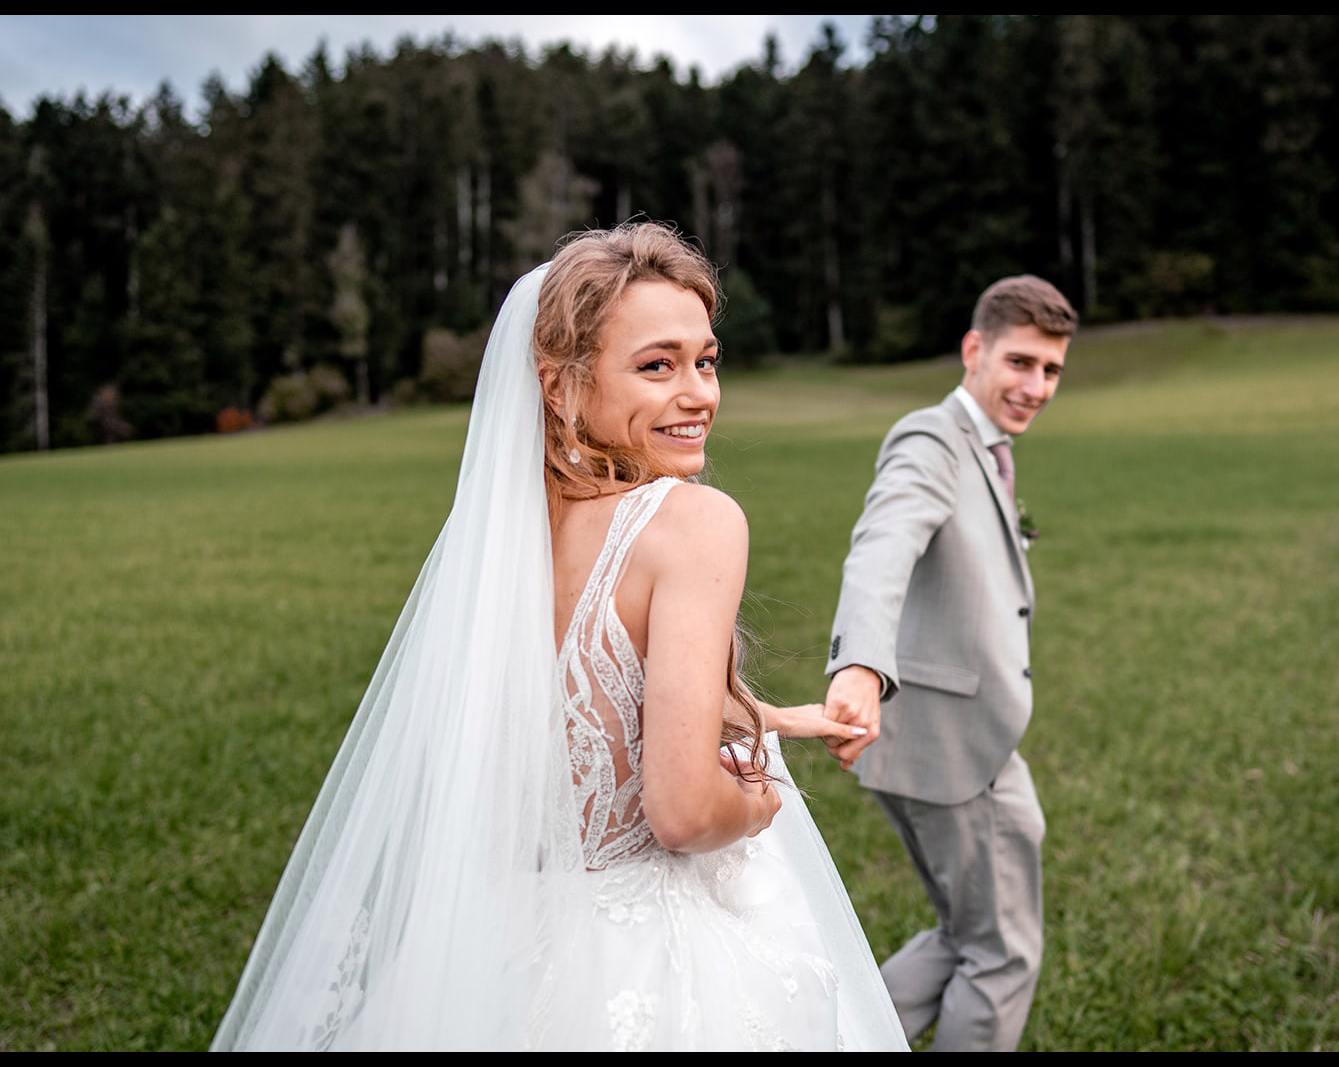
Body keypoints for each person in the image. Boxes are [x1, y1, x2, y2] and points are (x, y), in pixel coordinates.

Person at [209, 222, 908, 1051]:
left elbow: (598, 710)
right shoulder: (694, 523)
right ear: (561, 383)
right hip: (655, 958)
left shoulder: (501, 540)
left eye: (706, 360)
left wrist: (773, 717)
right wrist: (759, 801)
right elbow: (684, 811)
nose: (699, 394)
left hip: (506, 943)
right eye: (657, 365)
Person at [820, 275, 1076, 1050]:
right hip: (953, 746)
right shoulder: (933, 438)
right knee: (1000, 956)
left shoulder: (985, 447)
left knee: (966, 934)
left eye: (1052, 370)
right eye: (1021, 362)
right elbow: (883, 544)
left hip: (947, 736)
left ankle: (830, 1038)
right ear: (974, 350)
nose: (1036, 387)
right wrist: (860, 666)